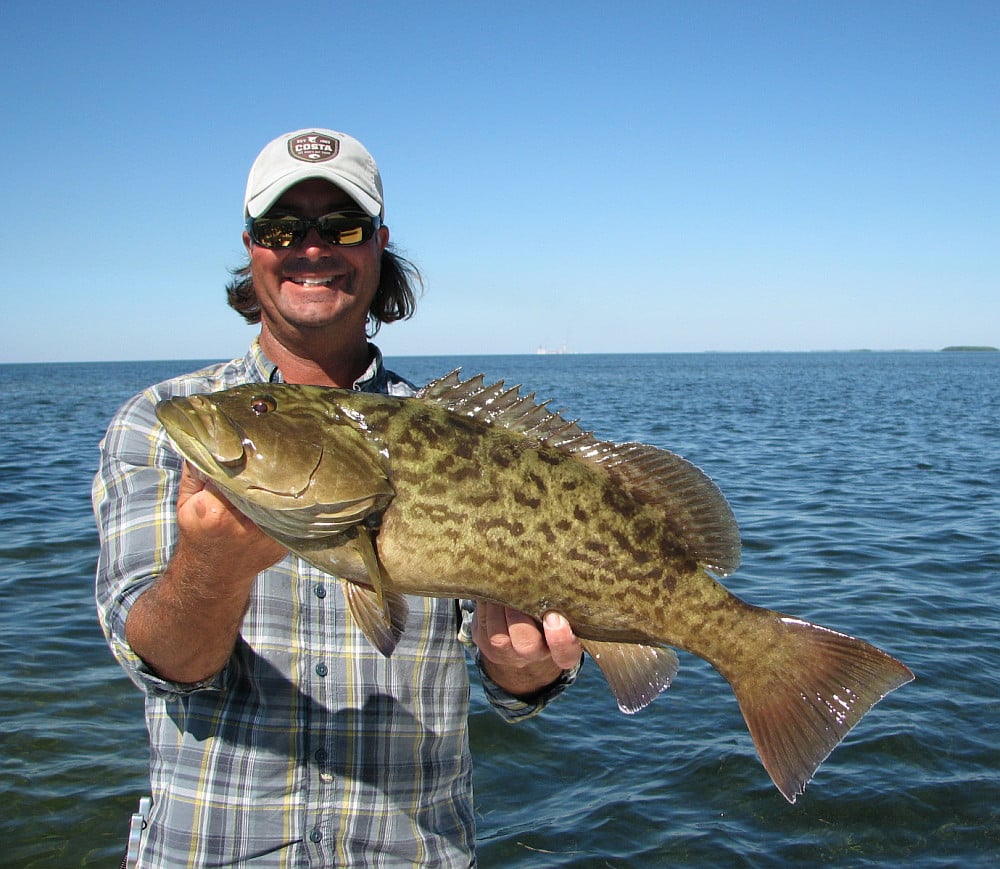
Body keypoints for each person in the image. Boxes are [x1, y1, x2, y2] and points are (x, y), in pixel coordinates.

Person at [93, 128, 583, 867]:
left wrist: (526, 667)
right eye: (283, 227)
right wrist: (213, 567)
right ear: (252, 244)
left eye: (342, 226)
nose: (312, 248)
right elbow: (159, 660)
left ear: (378, 244)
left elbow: (513, 689)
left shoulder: (453, 437)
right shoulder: (164, 423)